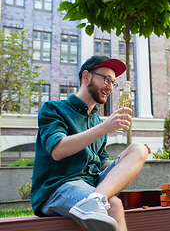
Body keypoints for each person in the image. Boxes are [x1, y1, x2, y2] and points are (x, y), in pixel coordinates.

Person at [30, 55, 151, 231]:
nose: (110, 86)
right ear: (86, 77)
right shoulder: (53, 109)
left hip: (92, 187)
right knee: (114, 205)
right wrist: (104, 128)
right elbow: (57, 150)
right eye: (106, 79)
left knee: (138, 149)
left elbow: (102, 163)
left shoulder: (97, 122)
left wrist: (125, 162)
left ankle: (94, 200)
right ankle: (95, 200)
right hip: (57, 188)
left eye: (113, 82)